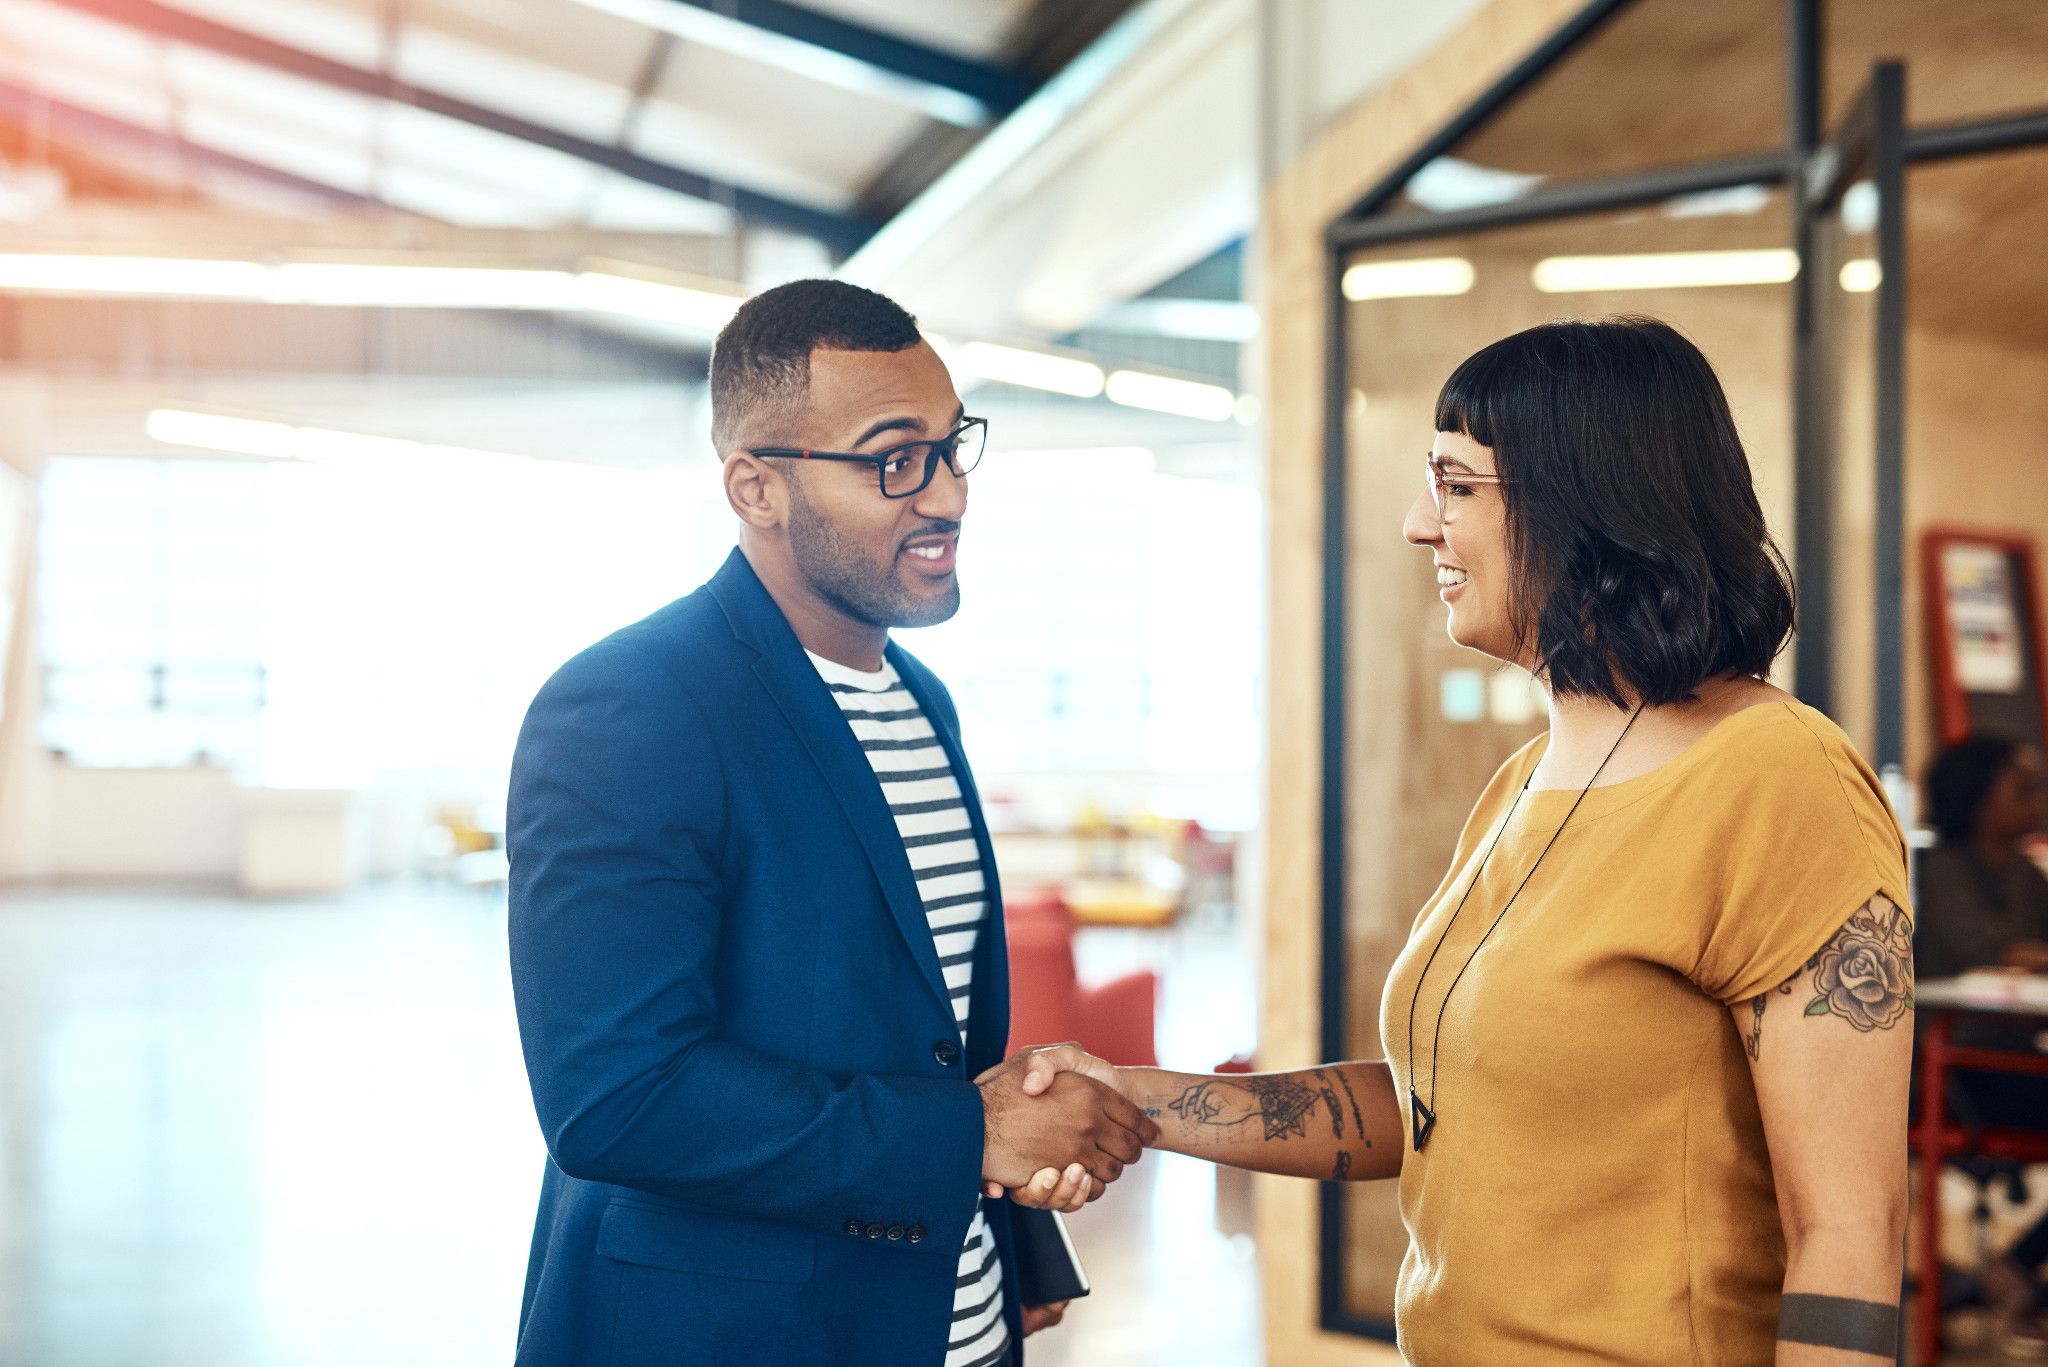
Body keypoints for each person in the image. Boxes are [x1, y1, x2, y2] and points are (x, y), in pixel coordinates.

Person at [1002, 317, 1917, 1364]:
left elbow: (1844, 1232)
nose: (1414, 524)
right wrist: (1131, 1099)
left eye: (1451, 484)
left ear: (1583, 503)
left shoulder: (1778, 779)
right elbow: (1437, 1102)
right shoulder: (1528, 779)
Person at [506, 278, 1156, 1367]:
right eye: (894, 458)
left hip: (947, 1319)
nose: (946, 494)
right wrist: (972, 1135)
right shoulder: (631, 707)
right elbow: (616, 1096)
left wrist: (1008, 1236)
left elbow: (935, 1035)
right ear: (756, 487)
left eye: (954, 447)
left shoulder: (920, 700)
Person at [1915, 735, 2048, 1353]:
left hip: (2014, 1061)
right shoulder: (1943, 868)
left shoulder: (2024, 872)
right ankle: (2019, 1272)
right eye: (2020, 787)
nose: (2037, 800)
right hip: (1956, 1073)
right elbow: (1991, 953)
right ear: (1977, 798)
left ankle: (2017, 1268)